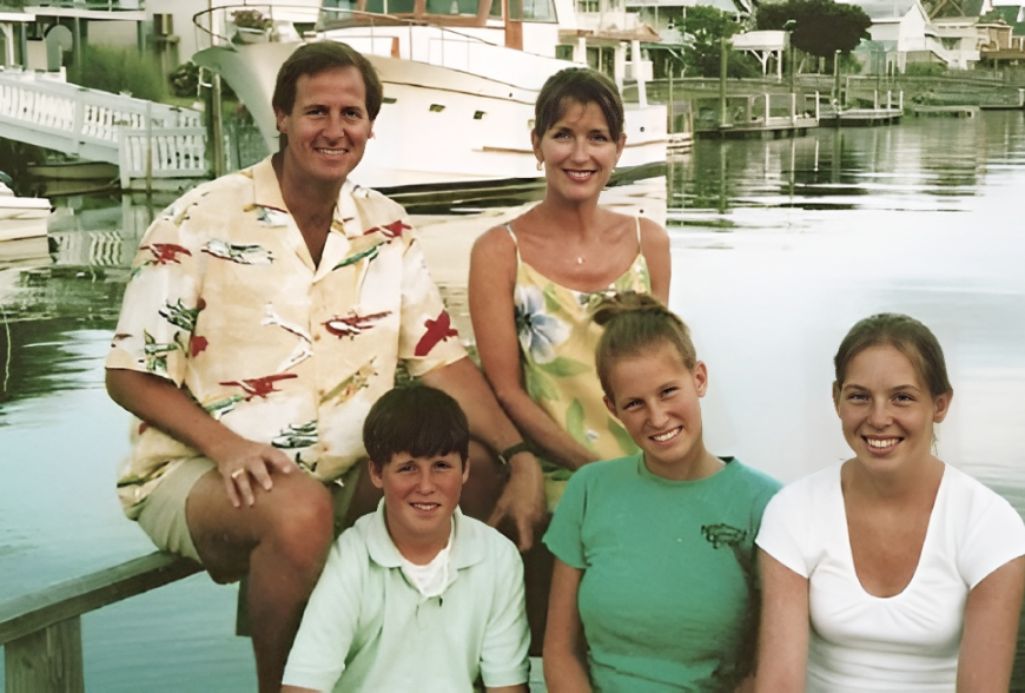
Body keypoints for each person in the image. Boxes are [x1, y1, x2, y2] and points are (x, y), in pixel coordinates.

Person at [104, 41, 544, 692]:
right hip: (198, 471)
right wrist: (225, 447)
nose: (334, 130)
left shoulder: (385, 228)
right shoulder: (198, 219)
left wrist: (521, 454)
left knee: (474, 470)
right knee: (297, 510)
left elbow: (443, 362)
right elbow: (129, 372)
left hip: (342, 474)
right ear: (279, 116)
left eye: (351, 113)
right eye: (316, 111)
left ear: (370, 125)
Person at [755, 313, 1025, 692]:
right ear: (837, 400)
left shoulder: (988, 524)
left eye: (902, 398)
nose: (879, 418)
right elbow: (779, 685)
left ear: (940, 404)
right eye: (859, 397)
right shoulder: (794, 511)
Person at [542, 293, 781, 692]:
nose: (656, 417)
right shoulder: (589, 490)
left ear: (699, 378)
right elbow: (560, 652)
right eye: (634, 403)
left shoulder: (764, 503)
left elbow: (765, 669)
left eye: (668, 391)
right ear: (613, 409)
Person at [469, 66, 671, 510]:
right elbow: (507, 391)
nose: (580, 155)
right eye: (563, 135)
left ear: (619, 148)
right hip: (553, 471)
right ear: (536, 143)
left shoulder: (648, 242)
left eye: (597, 138)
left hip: (649, 463)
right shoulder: (499, 252)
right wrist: (591, 472)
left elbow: (658, 372)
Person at [281, 385, 530, 693]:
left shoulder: (498, 557)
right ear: (376, 472)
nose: (426, 486)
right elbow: (304, 685)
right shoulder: (351, 558)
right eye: (407, 468)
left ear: (464, 469)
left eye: (441, 466)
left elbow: (506, 687)